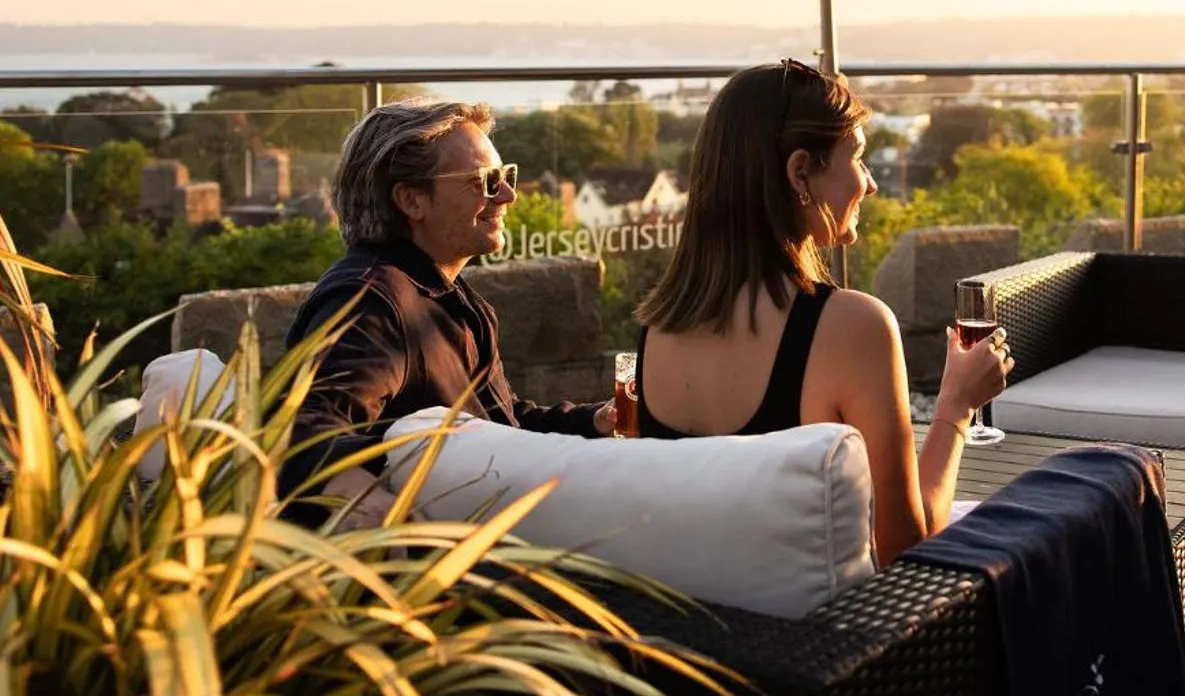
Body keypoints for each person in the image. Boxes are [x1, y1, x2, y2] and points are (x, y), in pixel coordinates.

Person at [631, 59, 1013, 562]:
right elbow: (907, 549)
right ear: (800, 172)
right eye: (857, 156)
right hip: (832, 636)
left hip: (693, 633)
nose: (871, 184)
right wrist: (956, 407)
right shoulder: (852, 327)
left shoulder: (656, 330)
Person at [281, 97, 613, 527]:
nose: (508, 195)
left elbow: (504, 423)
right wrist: (365, 502)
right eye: (485, 181)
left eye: (505, 175)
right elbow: (304, 430)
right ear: (412, 201)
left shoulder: (448, 295)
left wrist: (595, 421)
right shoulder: (372, 300)